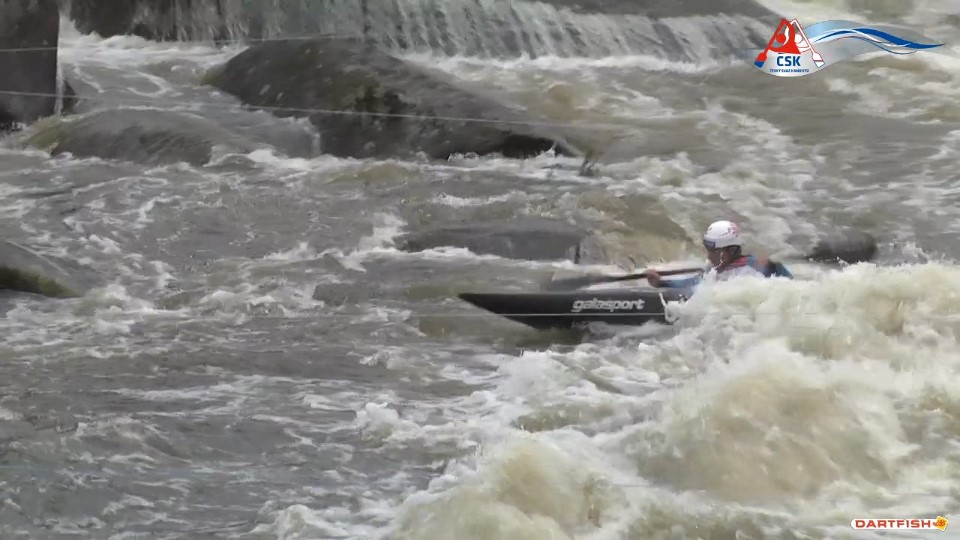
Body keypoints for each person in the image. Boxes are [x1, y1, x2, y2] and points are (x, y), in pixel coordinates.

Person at [646, 220, 793, 289]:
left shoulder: (756, 267)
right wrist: (661, 282)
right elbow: (693, 283)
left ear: (730, 250)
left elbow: (789, 283)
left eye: (713, 251)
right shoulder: (715, 271)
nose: (709, 257)